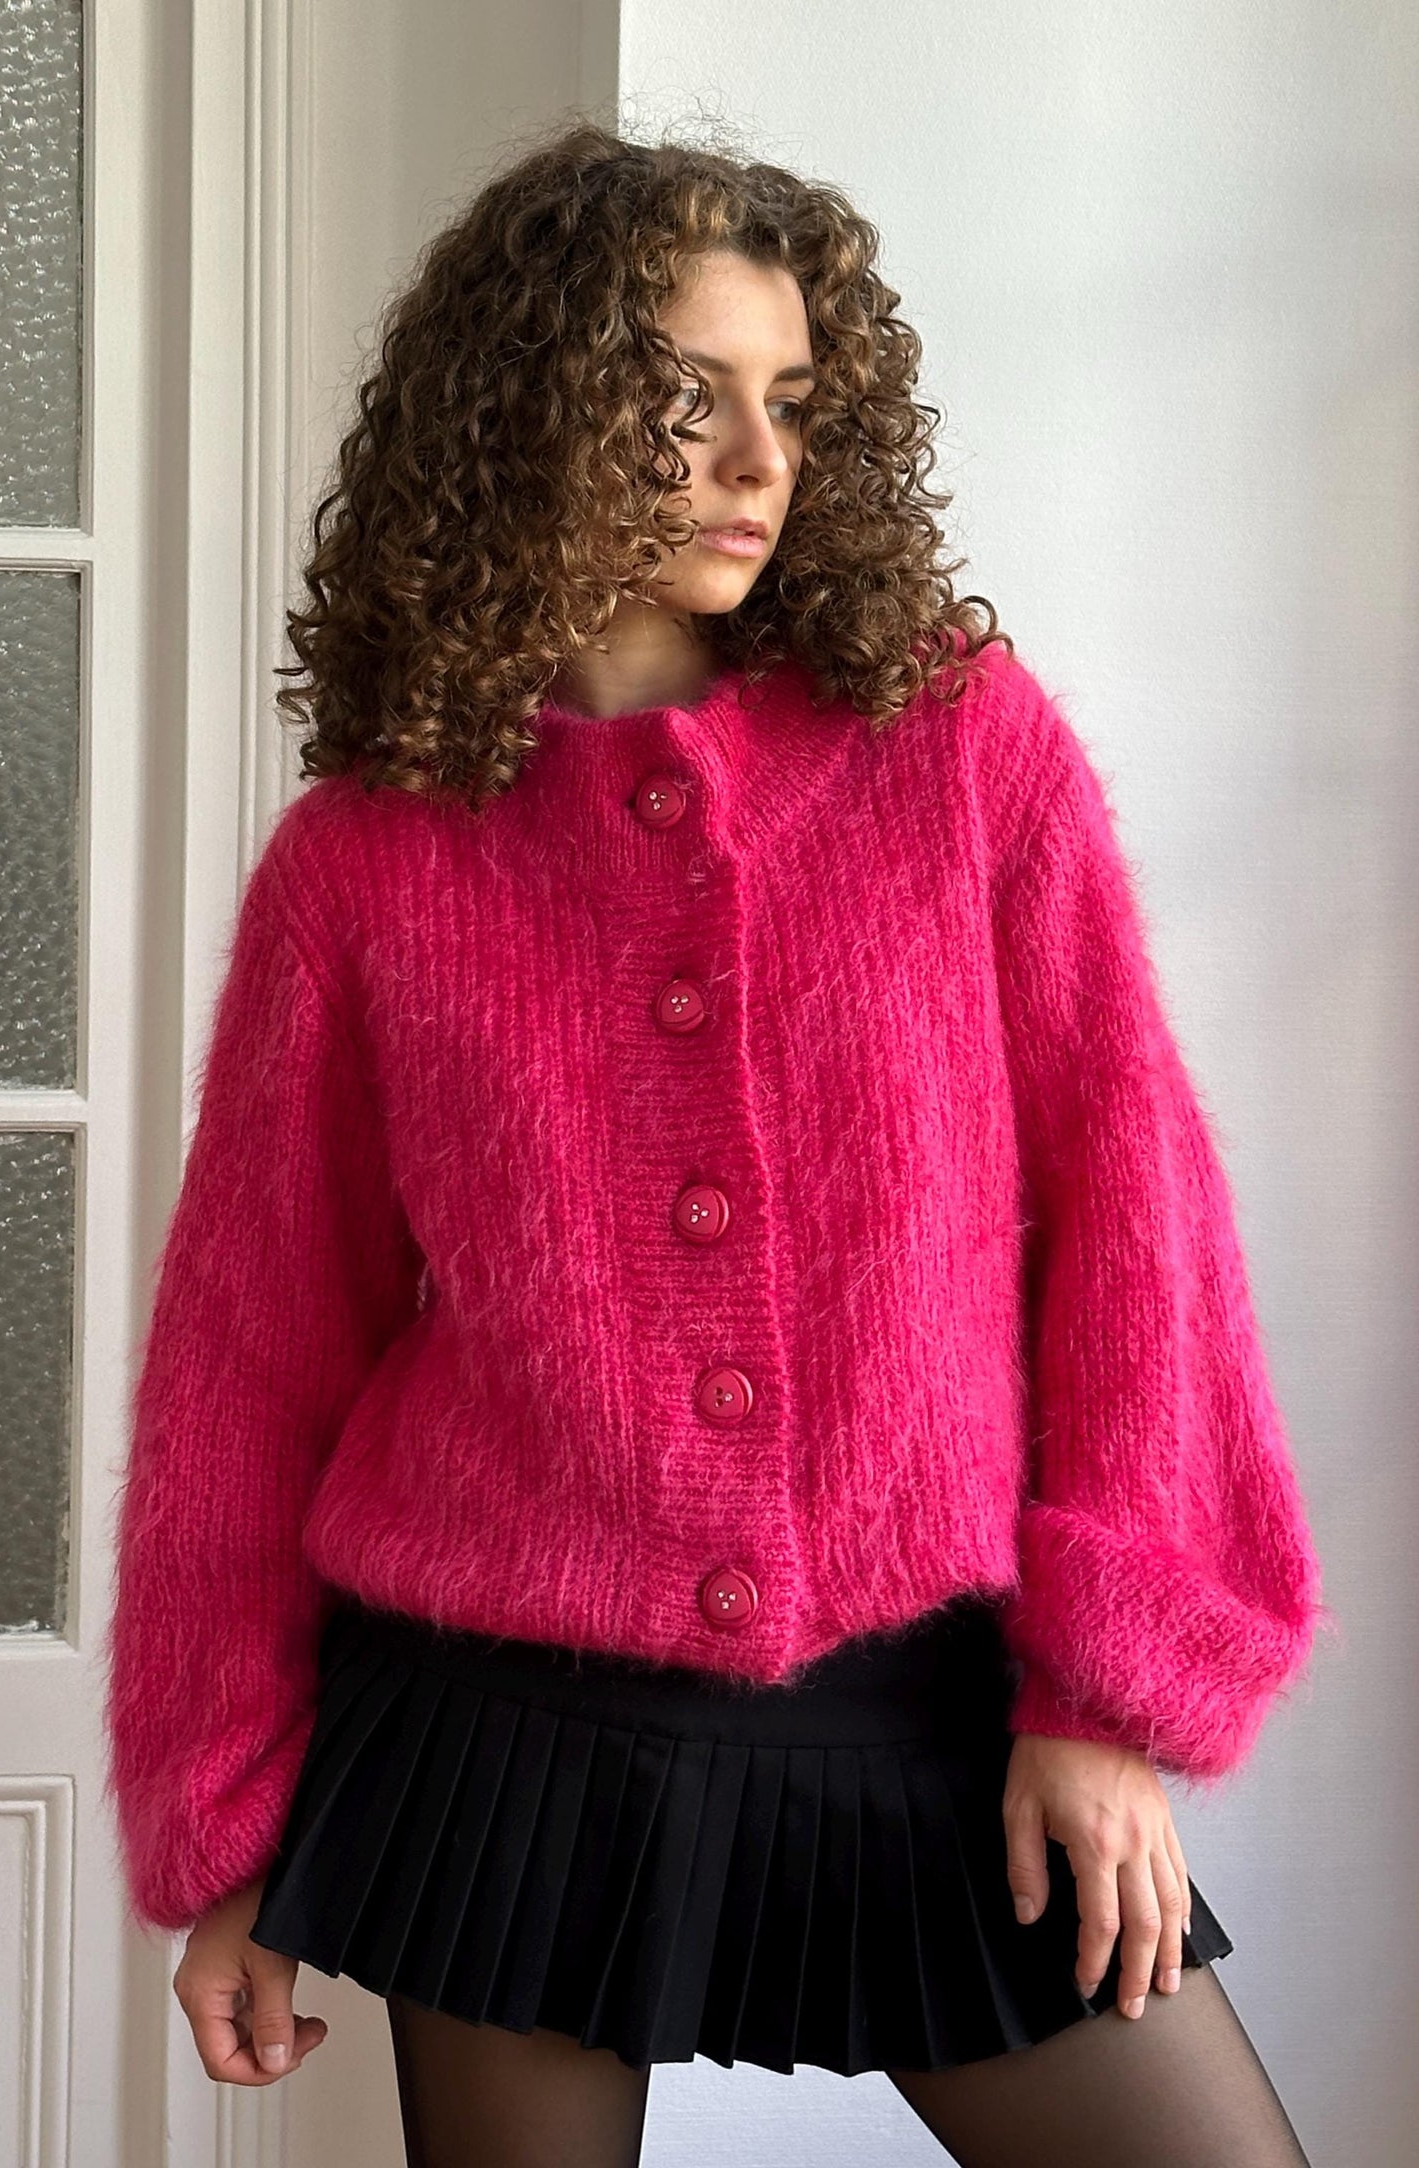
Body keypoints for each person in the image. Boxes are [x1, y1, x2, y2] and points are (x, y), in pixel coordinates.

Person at [100, 120, 1332, 2167]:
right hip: (500, 1739)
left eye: (792, 405)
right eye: (685, 402)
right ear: (534, 411)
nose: (759, 462)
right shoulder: (370, 863)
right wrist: (235, 1827)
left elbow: (1139, 1218)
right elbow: (253, 1361)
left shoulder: (960, 752)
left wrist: (1106, 1695)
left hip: (933, 1705)